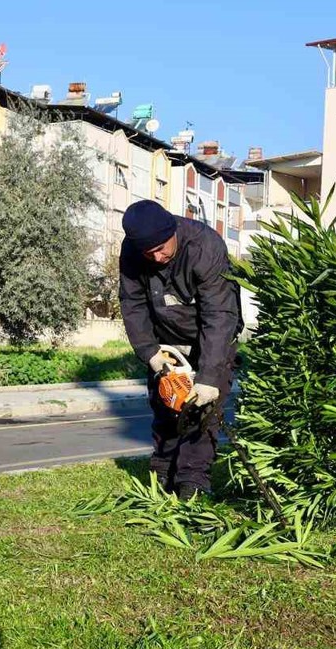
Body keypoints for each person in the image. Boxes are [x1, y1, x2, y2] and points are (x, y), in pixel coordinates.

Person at [118, 199, 242, 501]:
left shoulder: (205, 246)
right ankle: (162, 473)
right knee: (165, 407)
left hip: (211, 338)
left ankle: (192, 484)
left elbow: (219, 315)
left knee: (202, 414)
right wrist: (150, 352)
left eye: (163, 248)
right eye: (150, 253)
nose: (158, 257)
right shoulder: (133, 250)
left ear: (173, 230)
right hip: (166, 341)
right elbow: (132, 304)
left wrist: (210, 376)